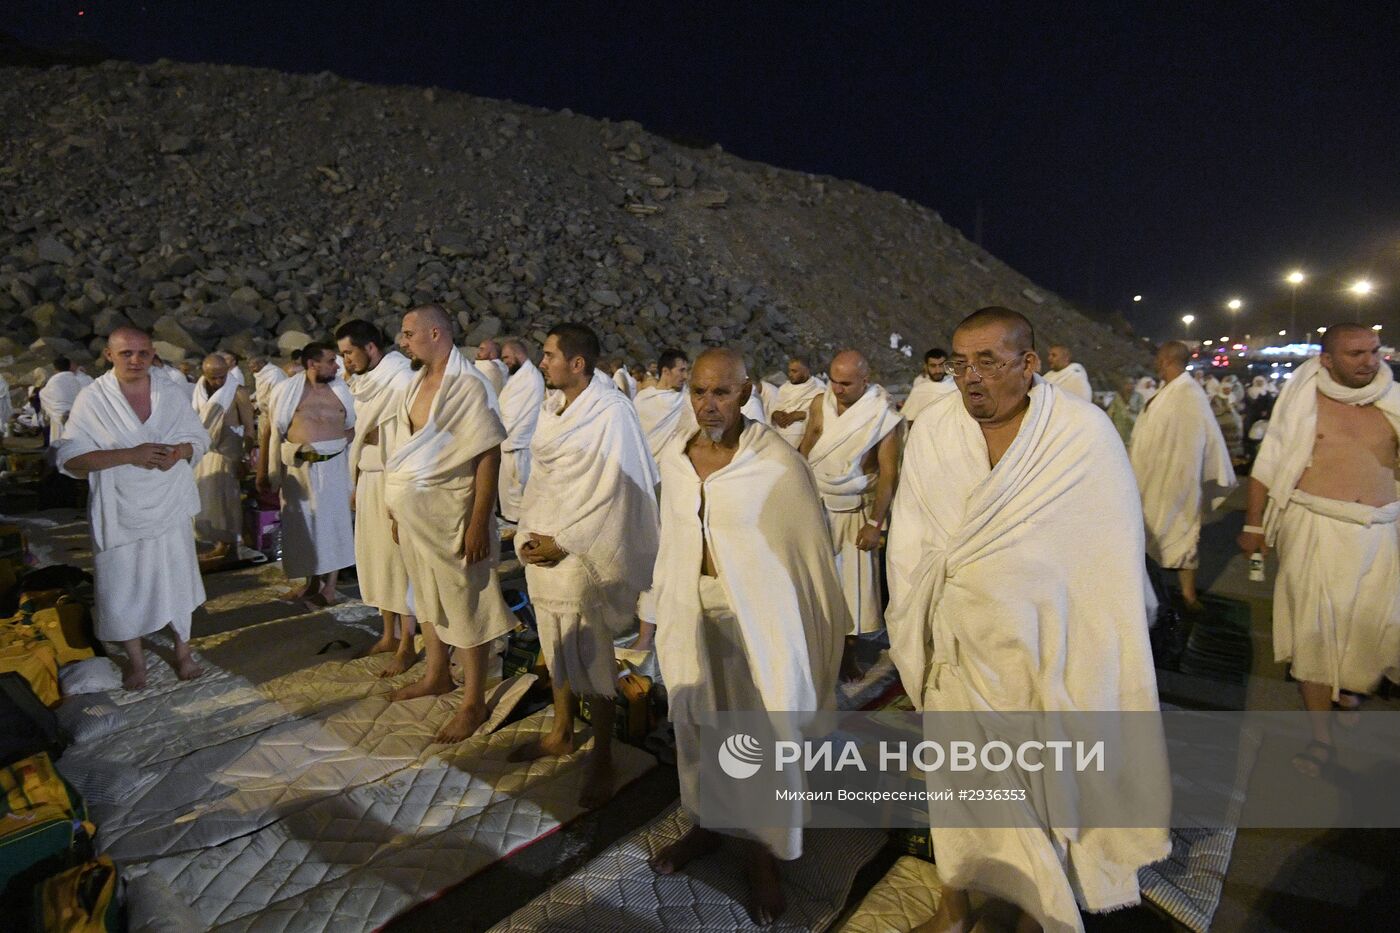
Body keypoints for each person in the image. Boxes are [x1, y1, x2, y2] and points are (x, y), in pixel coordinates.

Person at [887, 307, 1168, 933]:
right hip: (958, 647)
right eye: (961, 363)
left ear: (1029, 363)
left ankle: (1038, 912)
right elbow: (911, 538)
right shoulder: (934, 430)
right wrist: (915, 627)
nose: (971, 377)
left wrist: (1095, 649)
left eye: (988, 361)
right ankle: (954, 906)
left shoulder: (1080, 434)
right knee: (957, 789)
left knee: (1042, 787)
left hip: (1046, 650)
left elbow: (1108, 555)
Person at [649, 348, 848, 925]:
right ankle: (707, 824)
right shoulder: (676, 458)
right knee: (699, 726)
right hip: (691, 612)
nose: (709, 404)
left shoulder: (775, 463)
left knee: (759, 737)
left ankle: (764, 854)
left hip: (758, 622)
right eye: (699, 392)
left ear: (746, 393)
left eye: (722, 392)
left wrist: (819, 638)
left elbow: (807, 555)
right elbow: (671, 541)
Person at [509, 323, 660, 808]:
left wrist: (565, 541)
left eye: (549, 355)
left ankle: (603, 755)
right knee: (553, 640)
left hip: (582, 547)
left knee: (591, 650)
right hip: (544, 537)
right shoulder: (552, 408)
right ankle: (560, 731)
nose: (542, 362)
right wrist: (529, 533)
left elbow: (614, 489)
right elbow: (541, 479)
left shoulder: (611, 412)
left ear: (577, 363)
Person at [1240, 323, 1400, 776]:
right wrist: (1254, 523)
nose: (1369, 361)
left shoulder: (1393, 402)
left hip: (1381, 531)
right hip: (1315, 526)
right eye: (1356, 353)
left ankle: (1350, 687)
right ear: (1326, 359)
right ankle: (1320, 737)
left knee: (1375, 629)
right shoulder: (1302, 402)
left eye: (1374, 351)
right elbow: (1269, 463)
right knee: (1313, 632)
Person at [382, 305, 516, 742]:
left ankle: (474, 701)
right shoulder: (415, 384)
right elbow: (406, 451)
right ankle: (437, 674)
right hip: (416, 517)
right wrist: (396, 508)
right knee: (426, 595)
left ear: (435, 333)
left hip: (453, 514)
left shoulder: (469, 386)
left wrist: (479, 522)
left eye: (409, 334)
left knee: (466, 601)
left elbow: (488, 454)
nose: (403, 342)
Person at [57, 328, 209, 690]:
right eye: (126, 353)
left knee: (176, 577)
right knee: (122, 583)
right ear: (109, 355)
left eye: (143, 353)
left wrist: (180, 452)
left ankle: (183, 651)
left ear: (153, 353)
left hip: (168, 503)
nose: (136, 360)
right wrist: (130, 454)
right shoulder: (93, 399)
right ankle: (137, 661)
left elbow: (200, 437)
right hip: (120, 509)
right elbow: (70, 458)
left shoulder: (169, 393)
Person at [799, 350, 902, 679]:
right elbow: (806, 448)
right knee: (814, 578)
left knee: (854, 585)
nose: (837, 389)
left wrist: (875, 523)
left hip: (856, 509)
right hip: (817, 504)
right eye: (833, 381)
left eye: (846, 383)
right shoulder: (820, 404)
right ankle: (817, 644)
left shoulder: (883, 415)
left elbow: (888, 473)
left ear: (865, 381)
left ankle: (848, 652)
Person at [336, 320, 419, 674]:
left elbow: (410, 431)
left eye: (349, 353)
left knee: (399, 561)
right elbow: (364, 431)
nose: (346, 361)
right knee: (376, 559)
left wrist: (373, 438)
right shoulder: (367, 383)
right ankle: (388, 634)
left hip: (392, 477)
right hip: (369, 477)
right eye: (342, 355)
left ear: (370, 348)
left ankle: (408, 643)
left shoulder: (400, 378)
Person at [1130, 341, 1236, 611]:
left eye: (1158, 358)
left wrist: (1180, 477)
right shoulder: (1168, 391)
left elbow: (1197, 441)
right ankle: (1146, 592)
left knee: (1182, 532)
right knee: (1146, 533)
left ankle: (1188, 596)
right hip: (1152, 477)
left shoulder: (1189, 394)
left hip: (1177, 480)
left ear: (1165, 360)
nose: (1155, 363)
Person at [256, 342, 356, 607]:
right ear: (313, 364)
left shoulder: (343, 391)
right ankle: (311, 583)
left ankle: (330, 588)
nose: (337, 366)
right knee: (303, 526)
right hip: (299, 469)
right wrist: (264, 470)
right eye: (331, 361)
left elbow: (356, 426)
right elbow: (273, 430)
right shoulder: (287, 392)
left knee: (335, 526)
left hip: (334, 466)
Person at [191, 353, 255, 561]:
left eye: (222, 376)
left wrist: (245, 457)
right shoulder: (199, 391)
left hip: (229, 453)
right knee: (207, 499)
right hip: (205, 453)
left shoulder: (238, 392)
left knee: (227, 501)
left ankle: (231, 544)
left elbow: (249, 429)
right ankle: (218, 542)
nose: (218, 381)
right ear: (204, 374)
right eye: (213, 377)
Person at [496, 337, 546, 524]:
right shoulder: (519, 376)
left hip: (518, 448)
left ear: (518, 353)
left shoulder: (529, 378)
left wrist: (494, 432)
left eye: (506, 357)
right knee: (510, 500)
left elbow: (512, 415)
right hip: (510, 446)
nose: (505, 362)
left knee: (517, 502)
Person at [632, 348, 693, 459]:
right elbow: (633, 433)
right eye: (681, 370)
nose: (685, 376)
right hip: (642, 461)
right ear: (665, 371)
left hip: (671, 464)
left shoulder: (687, 398)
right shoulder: (642, 399)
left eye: (686, 371)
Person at [768, 355, 826, 447]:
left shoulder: (819, 389)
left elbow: (823, 416)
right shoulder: (784, 388)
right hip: (779, 435)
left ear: (806, 371)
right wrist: (776, 414)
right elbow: (774, 407)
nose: (790, 374)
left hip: (803, 438)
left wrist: (800, 415)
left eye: (794, 371)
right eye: (789, 371)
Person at [38, 356, 92, 444]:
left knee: (59, 438)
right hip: (74, 414)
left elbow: (44, 394)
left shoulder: (55, 380)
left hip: (59, 415)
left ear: (55, 368)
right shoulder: (75, 379)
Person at [902, 347, 958, 422]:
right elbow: (908, 418)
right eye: (933, 366)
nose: (938, 371)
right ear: (926, 367)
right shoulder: (919, 388)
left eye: (941, 365)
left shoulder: (956, 384)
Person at [1211, 381, 1246, 461]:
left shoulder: (1232, 396)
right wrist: (1225, 409)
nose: (1227, 391)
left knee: (1236, 440)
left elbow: (1239, 408)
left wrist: (1238, 407)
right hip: (1223, 423)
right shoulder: (1216, 398)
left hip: (1235, 422)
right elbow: (1214, 410)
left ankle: (1234, 457)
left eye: (1229, 389)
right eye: (1225, 389)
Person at [1106, 377, 1143, 446]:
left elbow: (1142, 410)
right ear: (1124, 385)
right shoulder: (1118, 396)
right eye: (1127, 384)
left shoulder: (1138, 396)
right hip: (1120, 426)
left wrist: (1132, 409)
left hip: (1133, 424)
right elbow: (1111, 410)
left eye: (1131, 384)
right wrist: (1108, 421)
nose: (1130, 386)